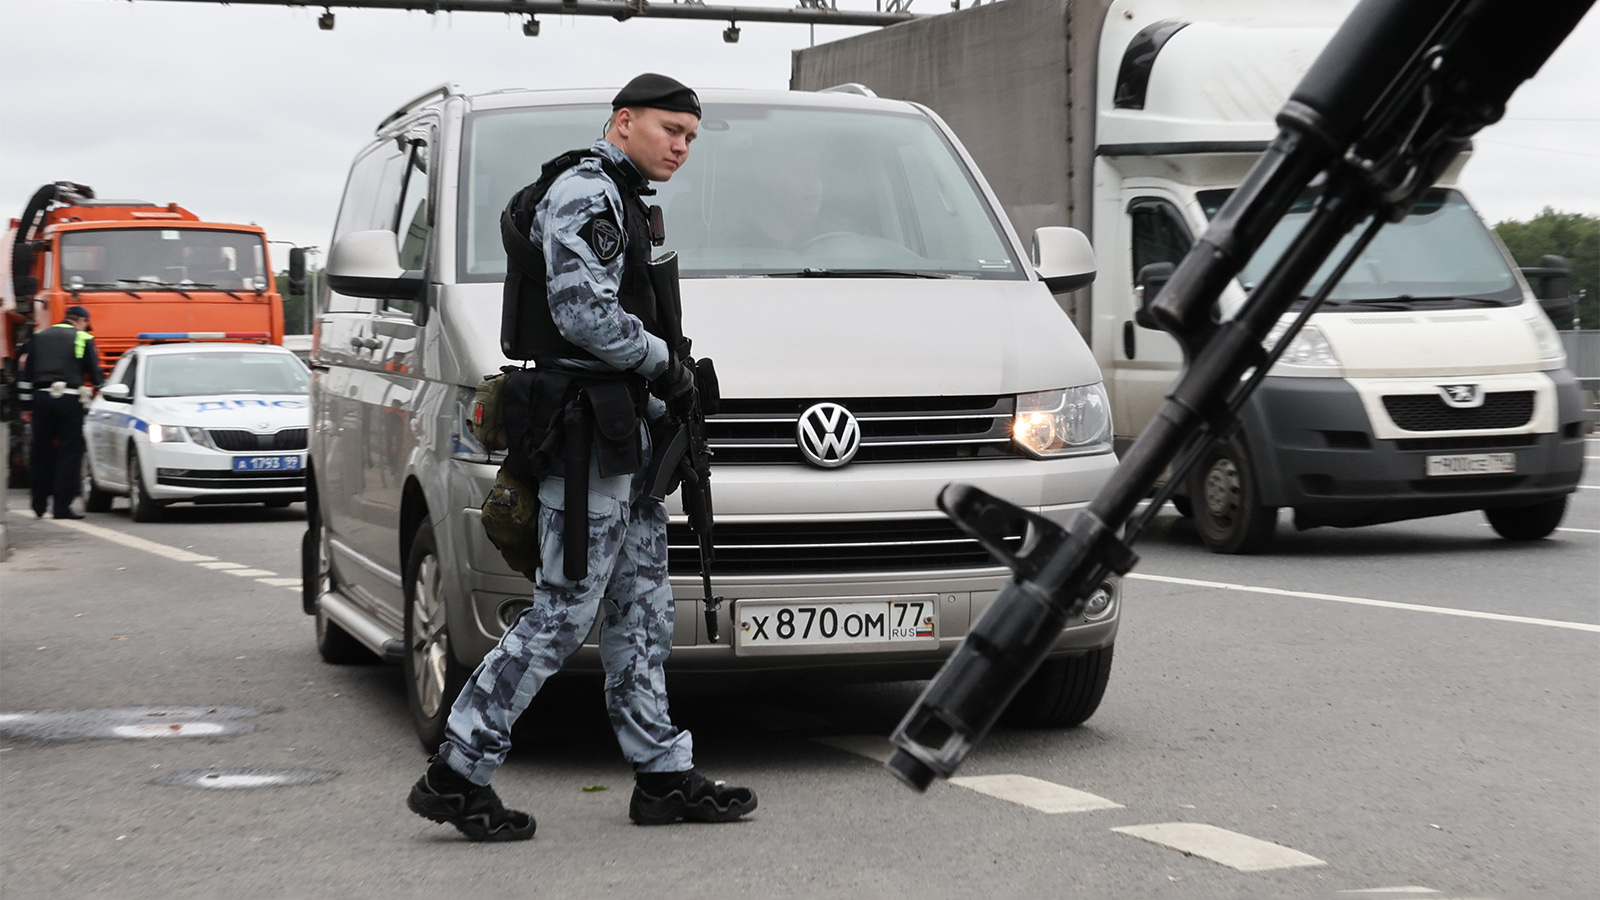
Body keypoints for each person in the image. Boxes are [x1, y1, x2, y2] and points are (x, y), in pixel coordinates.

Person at [407, 73, 757, 842]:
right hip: (582, 437)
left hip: (618, 434)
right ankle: (456, 773)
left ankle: (662, 774)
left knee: (642, 610)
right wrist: (664, 362)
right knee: (563, 614)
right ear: (623, 121)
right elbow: (583, 312)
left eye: (692, 137)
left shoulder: (623, 198)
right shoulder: (587, 194)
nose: (681, 146)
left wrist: (666, 392)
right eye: (670, 129)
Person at [18, 305, 103, 519]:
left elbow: (26, 375)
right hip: (69, 399)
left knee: (41, 451)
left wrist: (26, 407)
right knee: (69, 452)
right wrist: (100, 387)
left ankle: (38, 505)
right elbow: (94, 373)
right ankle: (61, 507)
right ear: (81, 321)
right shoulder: (82, 337)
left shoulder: (40, 336)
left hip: (41, 399)